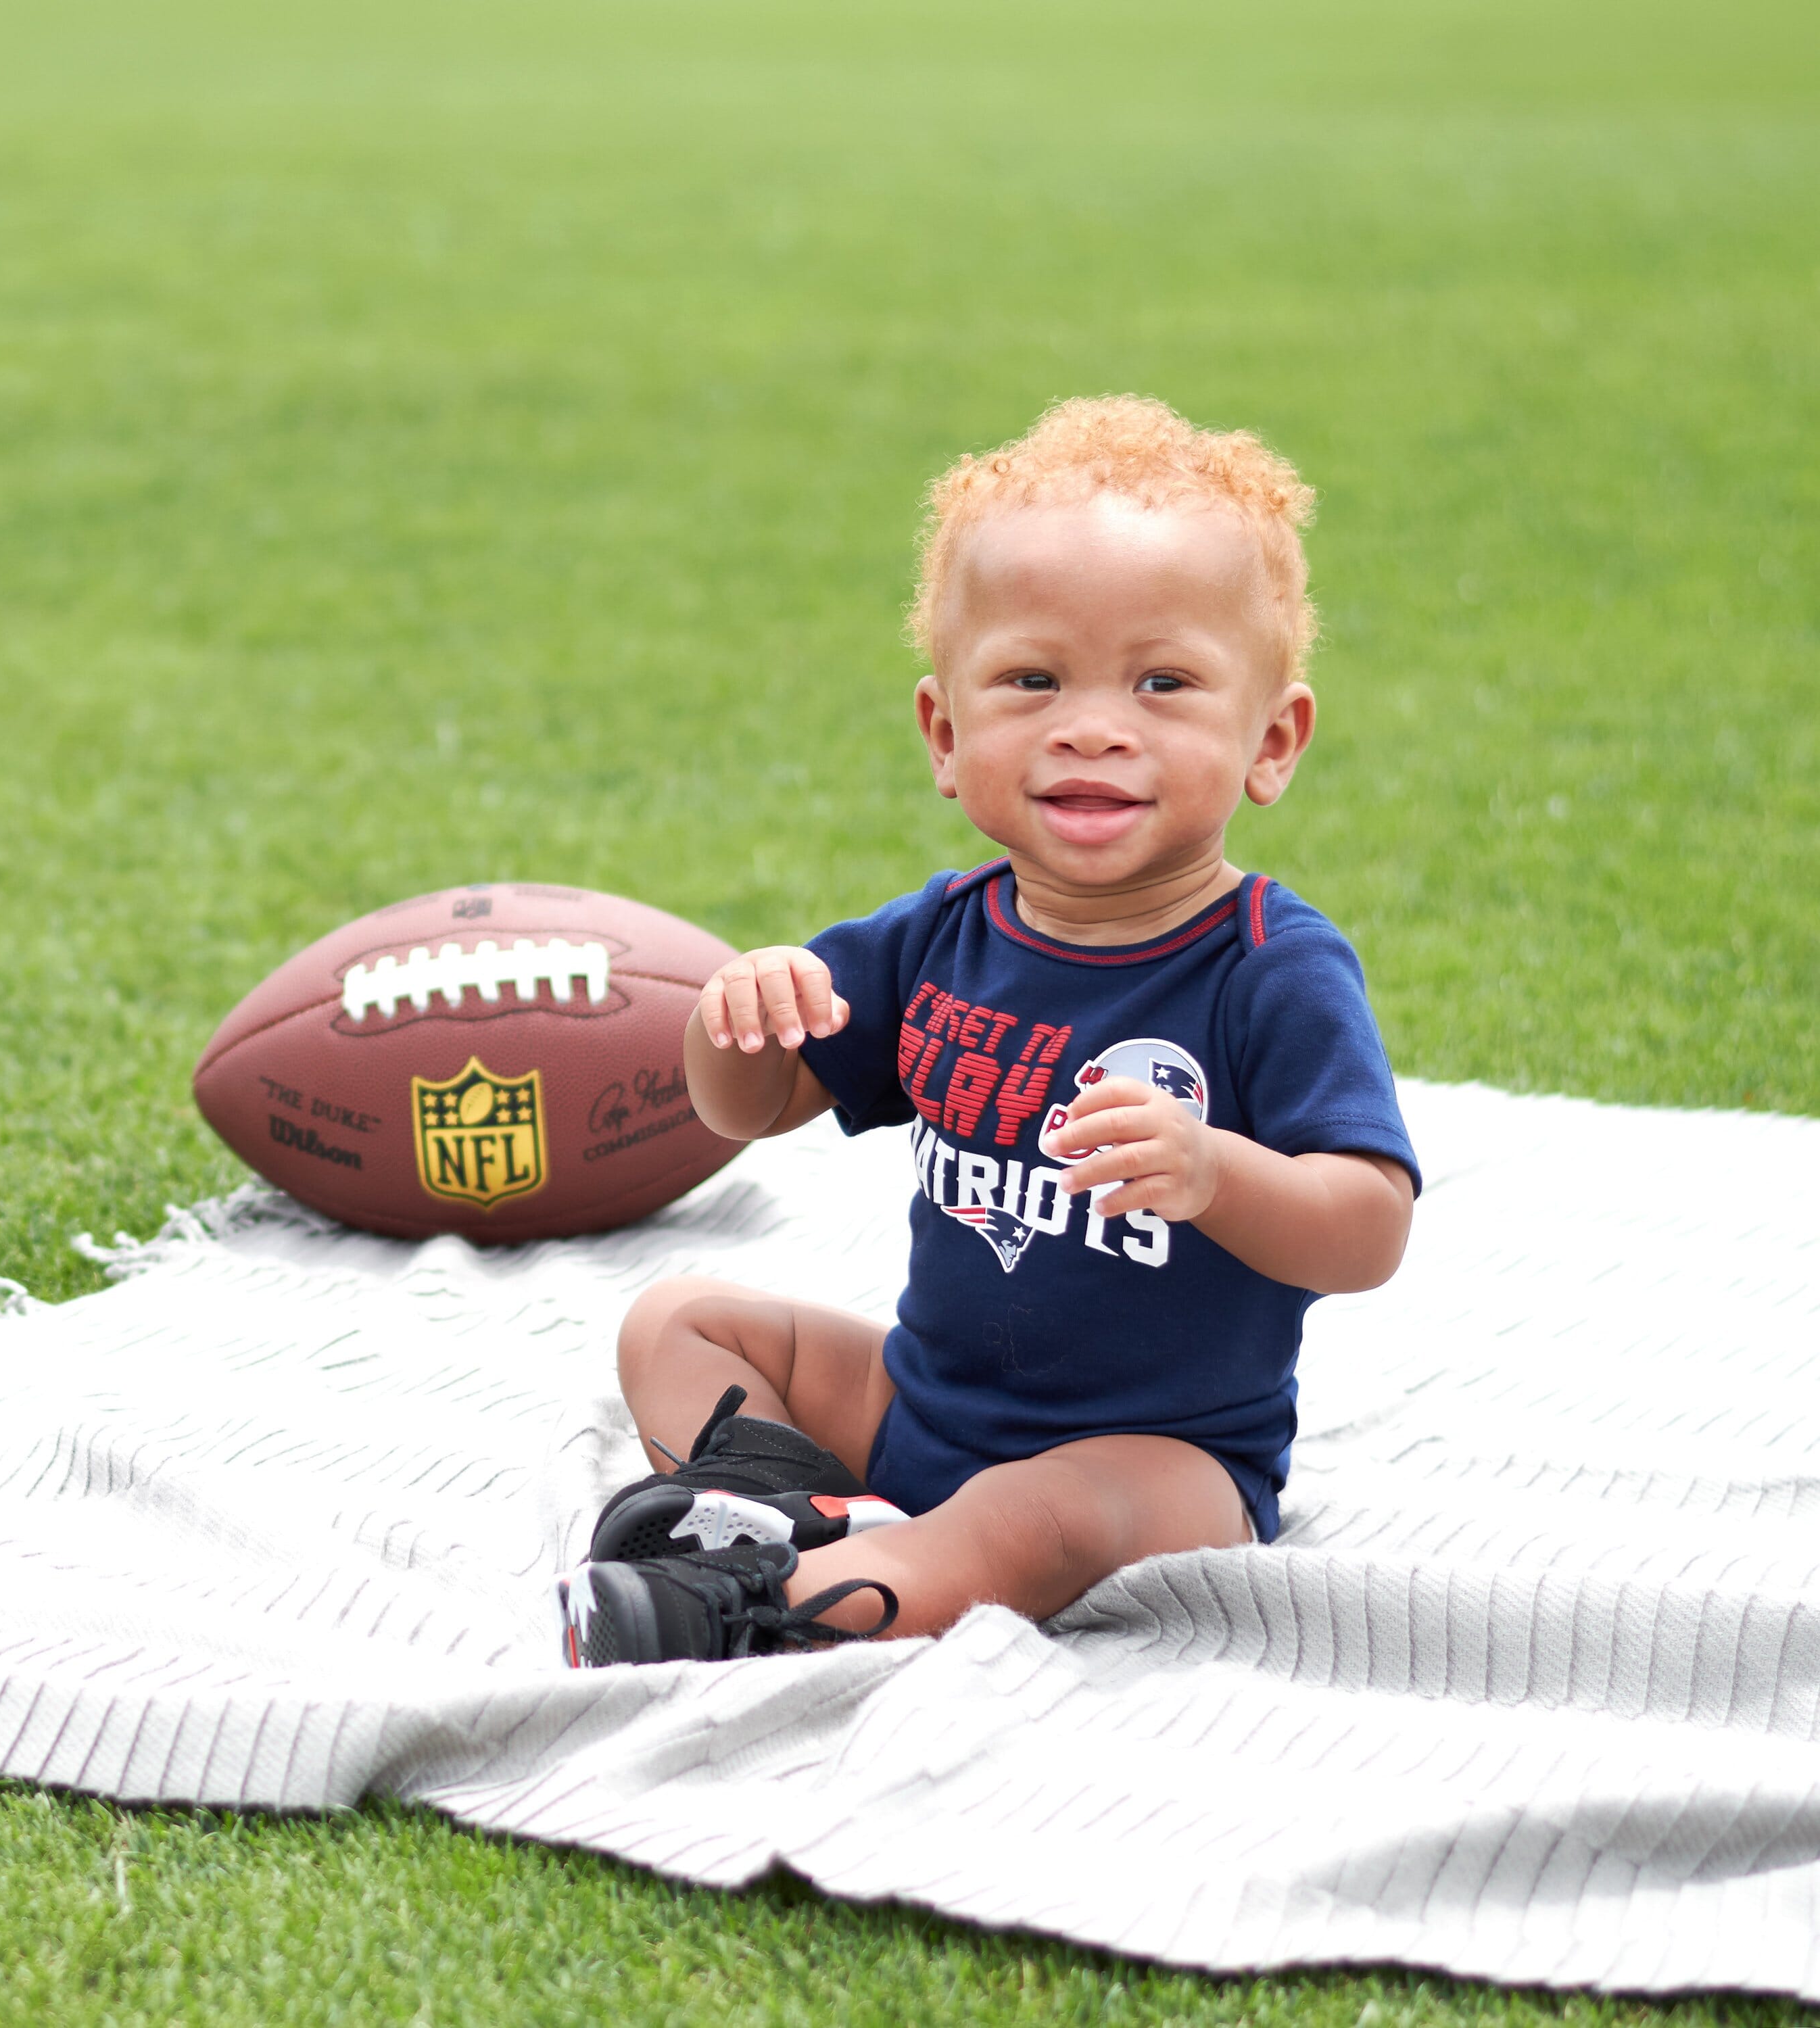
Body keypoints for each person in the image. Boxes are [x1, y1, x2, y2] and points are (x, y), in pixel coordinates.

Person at [557, 395, 1420, 1668]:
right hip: (920, 1399)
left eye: (1164, 682)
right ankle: (803, 1513)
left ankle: (759, 1605)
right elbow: (751, 1108)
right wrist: (736, 1022)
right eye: (1033, 680)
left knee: (1023, 1516)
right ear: (947, 738)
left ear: (1270, 741)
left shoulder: (1268, 969)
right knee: (675, 1324)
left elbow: (1369, 1229)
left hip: (1158, 1460)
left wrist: (1213, 1171)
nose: (1091, 725)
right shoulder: (941, 934)